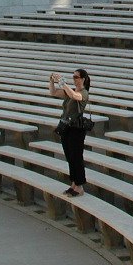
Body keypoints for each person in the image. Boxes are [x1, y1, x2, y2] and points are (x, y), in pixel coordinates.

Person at [49, 68, 90, 196]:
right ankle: (73, 183)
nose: (74, 79)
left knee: (76, 156)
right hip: (66, 126)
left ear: (83, 79)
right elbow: (53, 92)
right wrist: (52, 81)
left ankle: (80, 186)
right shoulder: (69, 91)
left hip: (76, 129)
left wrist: (63, 83)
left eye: (76, 77)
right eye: (73, 77)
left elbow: (74, 96)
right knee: (69, 156)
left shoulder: (84, 93)